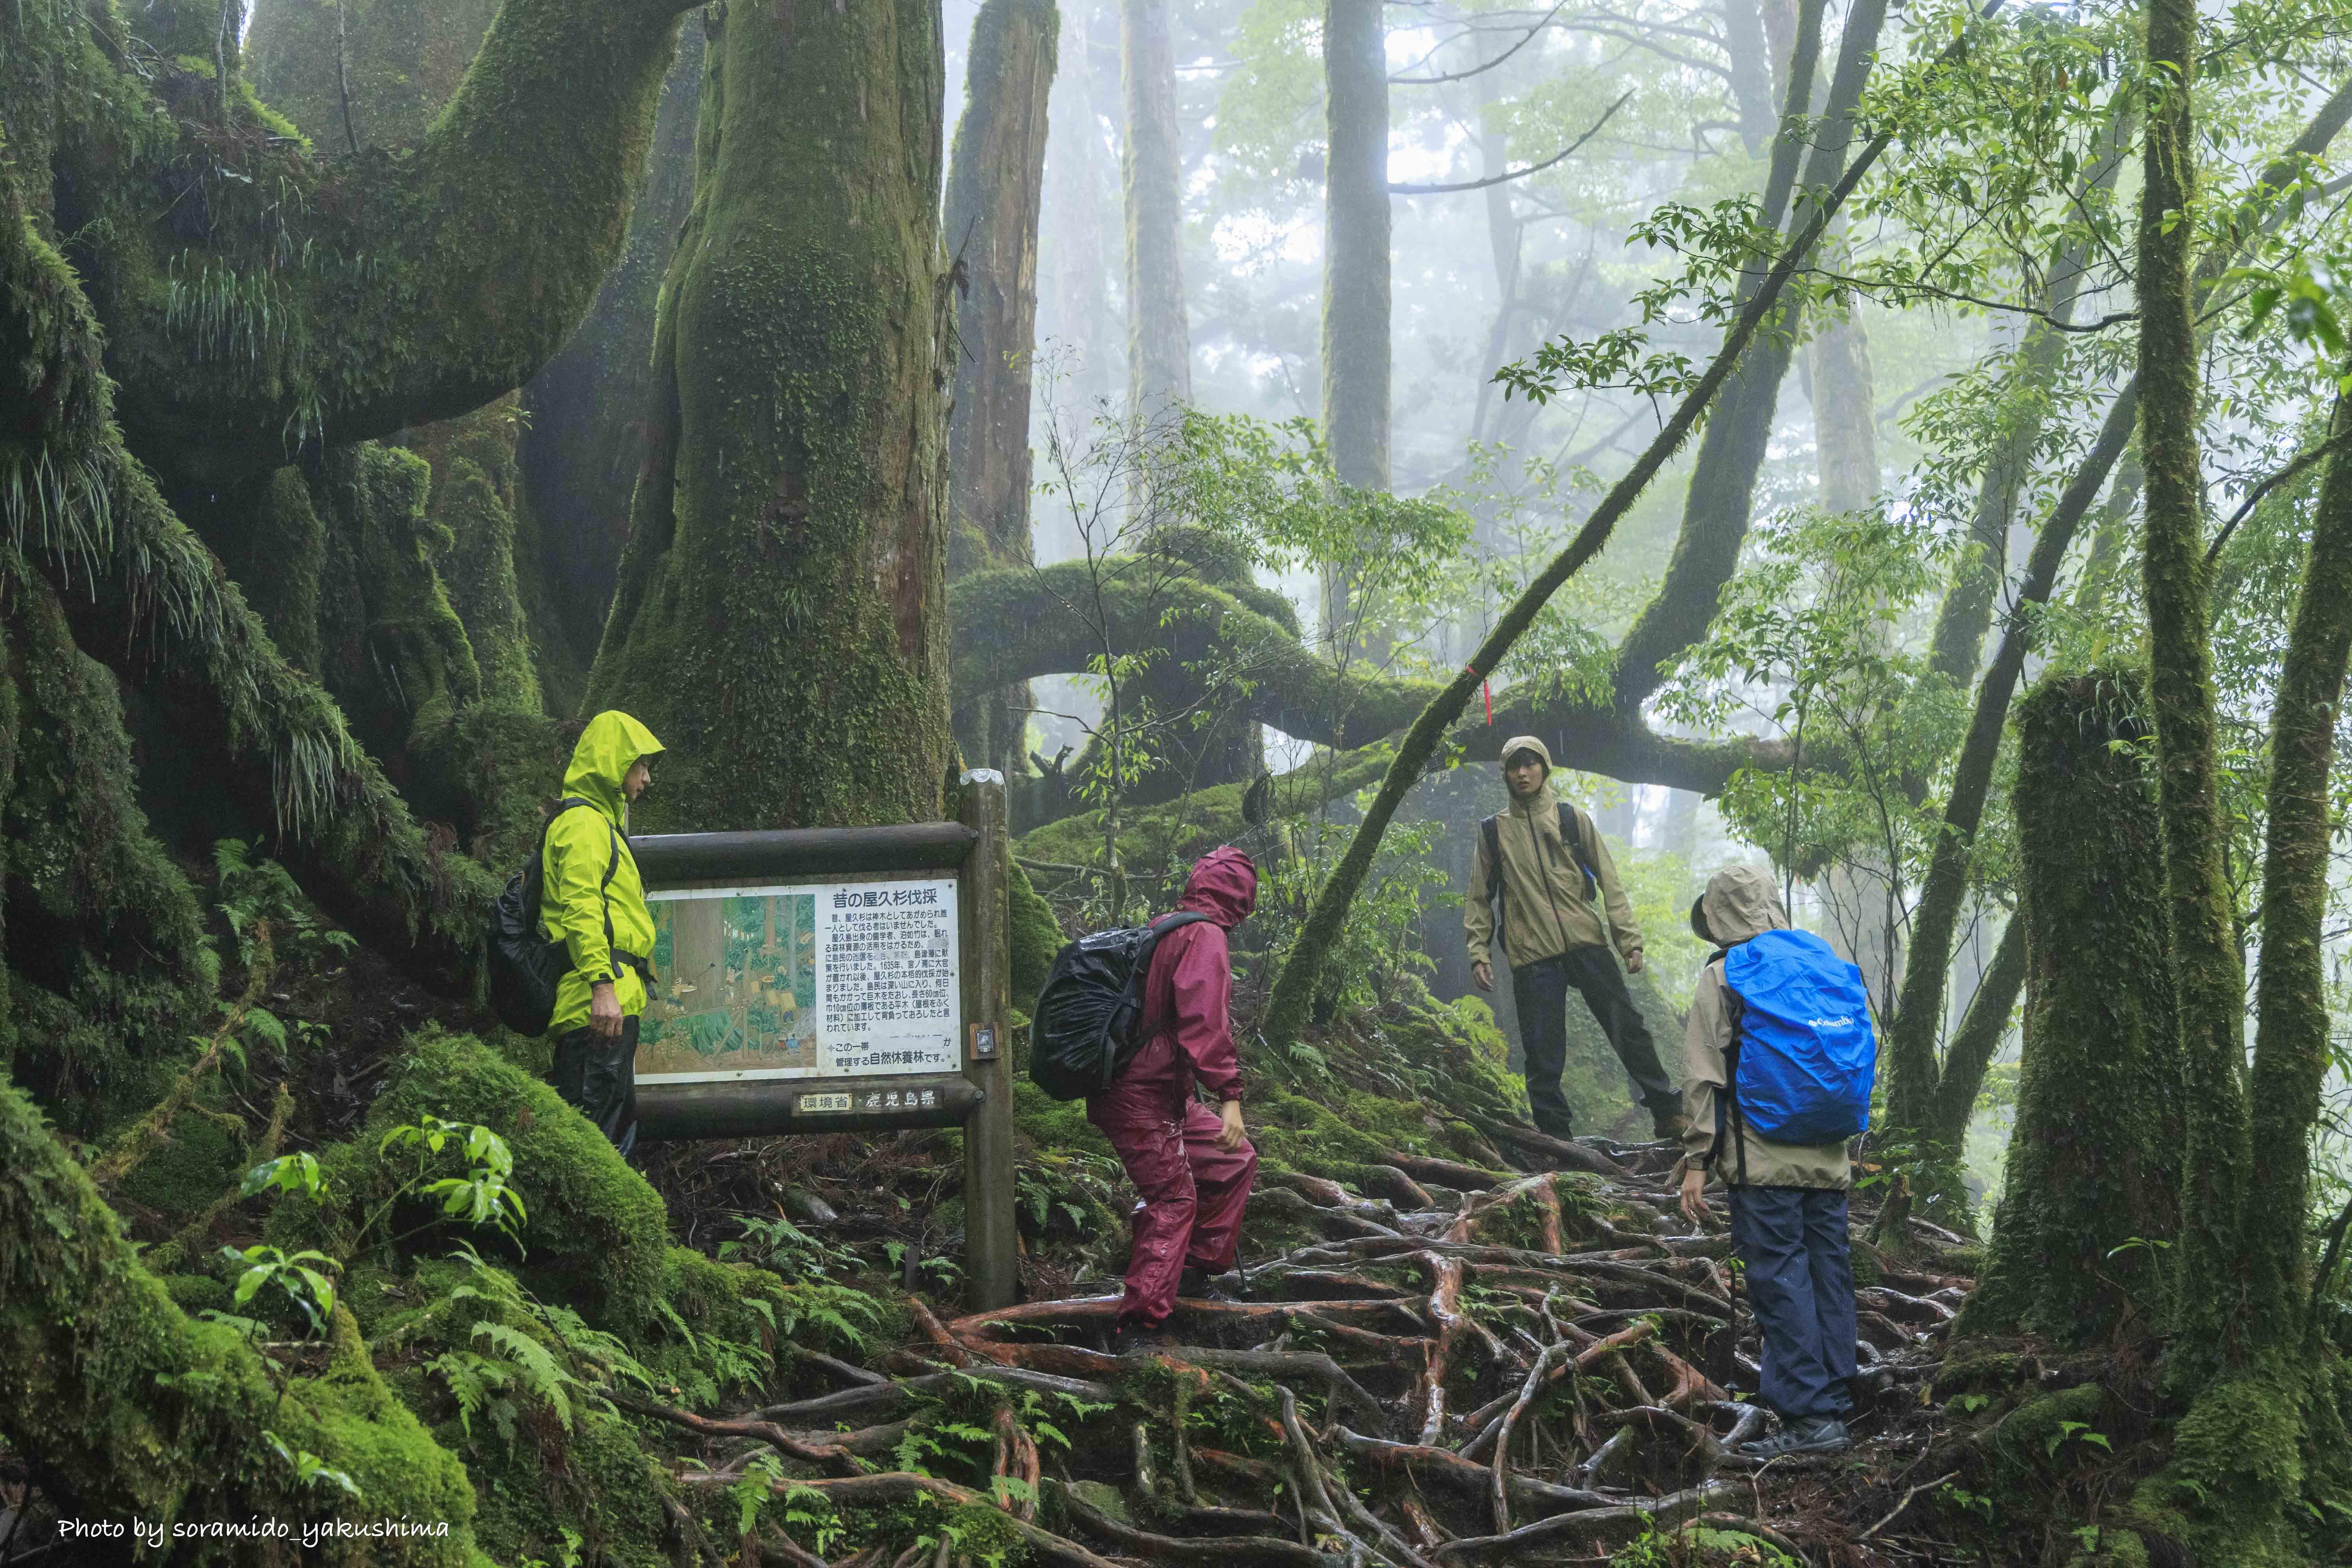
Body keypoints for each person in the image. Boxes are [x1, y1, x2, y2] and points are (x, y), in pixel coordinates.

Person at [1677, 864, 1857, 1458]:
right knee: (1827, 1272)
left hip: (1763, 1160)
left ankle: (1810, 1420)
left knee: (1779, 1277)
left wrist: (1697, 1161)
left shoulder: (1726, 975)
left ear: (1718, 915)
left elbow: (1704, 1074)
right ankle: (1833, 1396)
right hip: (1829, 1160)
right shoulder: (1823, 963)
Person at [1465, 735, 1684, 1142]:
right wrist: (1479, 951)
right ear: (1506, 775)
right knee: (1542, 1051)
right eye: (1515, 766)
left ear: (1545, 768)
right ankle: (1556, 1141)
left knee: (1629, 1028)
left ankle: (1668, 1112)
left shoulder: (1571, 818)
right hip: (1531, 952)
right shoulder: (1494, 832)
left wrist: (1629, 940)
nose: (1523, 773)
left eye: (1531, 764)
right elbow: (1479, 896)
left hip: (1585, 941)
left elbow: (1610, 881)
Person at [1087, 846, 1260, 1355]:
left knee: (1234, 1160)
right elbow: (1204, 1022)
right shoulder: (1203, 935)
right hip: (1139, 1097)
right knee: (1174, 1198)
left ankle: (1189, 1273)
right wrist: (1230, 1096)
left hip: (1162, 1094)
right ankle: (1139, 1328)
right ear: (1241, 898)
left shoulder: (1167, 925)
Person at [543, 710, 666, 1158]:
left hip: (610, 1005)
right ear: (614, 763)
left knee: (611, 1137)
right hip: (595, 1009)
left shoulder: (598, 824)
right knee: (594, 1150)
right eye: (640, 766)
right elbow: (582, 907)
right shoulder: (583, 825)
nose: (647, 779)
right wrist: (601, 984)